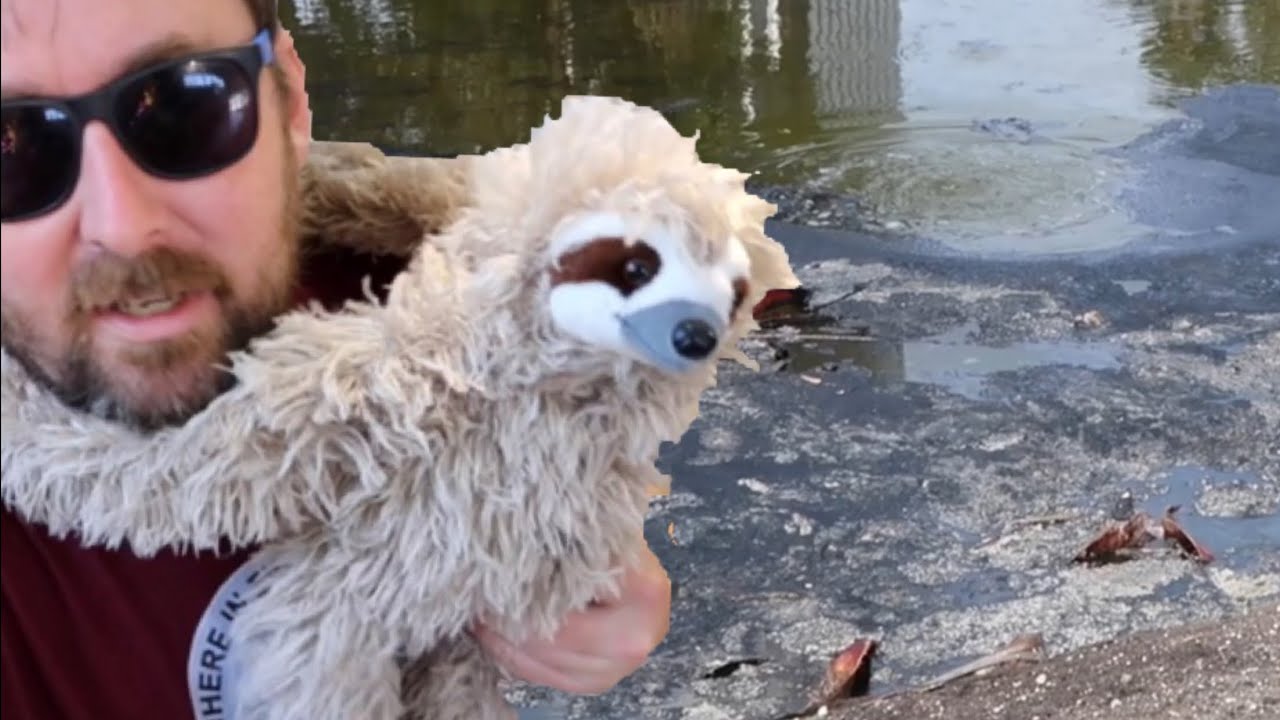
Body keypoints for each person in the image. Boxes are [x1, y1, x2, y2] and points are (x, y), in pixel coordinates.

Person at [0, 1, 673, 718]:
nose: (123, 227)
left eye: (185, 104)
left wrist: (592, 569)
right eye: (11, 148)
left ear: (289, 102)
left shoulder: (439, 291)